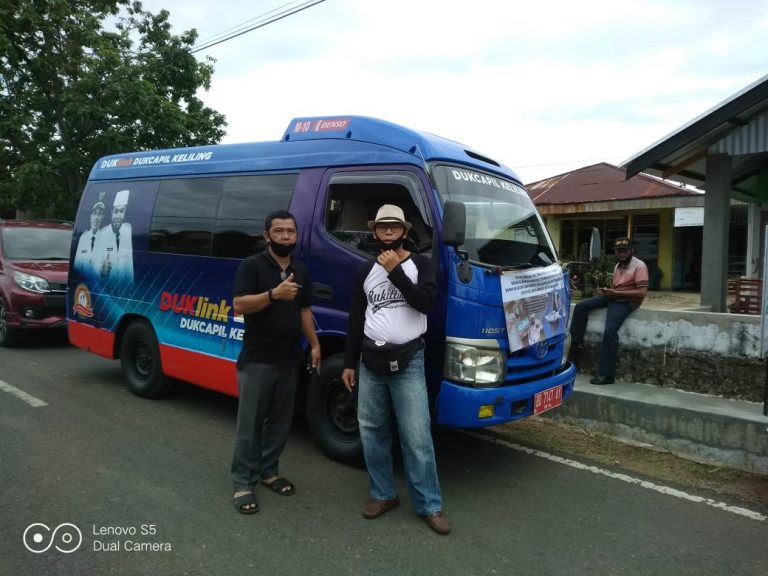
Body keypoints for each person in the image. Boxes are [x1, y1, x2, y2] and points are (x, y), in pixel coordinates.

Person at [341, 204, 451, 535]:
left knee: (416, 435)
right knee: (372, 429)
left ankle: (429, 504)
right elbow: (356, 318)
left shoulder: (421, 264)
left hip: (408, 358)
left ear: (404, 231)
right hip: (370, 359)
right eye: (382, 227)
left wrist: (395, 272)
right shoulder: (365, 270)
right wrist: (349, 362)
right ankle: (383, 494)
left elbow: (426, 304)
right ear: (374, 232)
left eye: (394, 227)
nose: (388, 231)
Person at [230, 209, 321, 514]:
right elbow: (239, 304)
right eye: (279, 231)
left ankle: (269, 471)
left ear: (297, 236)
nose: (285, 236)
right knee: (250, 425)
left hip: (289, 359)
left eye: (290, 231)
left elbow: (304, 310)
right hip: (257, 359)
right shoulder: (252, 266)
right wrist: (273, 294)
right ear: (267, 235)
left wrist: (315, 344)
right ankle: (243, 483)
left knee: (280, 424)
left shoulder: (301, 270)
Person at [569, 236, 649, 385]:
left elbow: (642, 292)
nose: (622, 254)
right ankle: (576, 346)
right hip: (615, 296)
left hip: (628, 301)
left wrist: (616, 293)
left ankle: (606, 374)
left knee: (610, 331)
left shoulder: (639, 266)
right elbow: (617, 287)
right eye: (619, 251)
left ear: (631, 251)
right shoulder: (618, 266)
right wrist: (607, 292)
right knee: (581, 307)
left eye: (625, 251)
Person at [96, 189, 134, 285]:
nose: (118, 216)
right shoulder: (103, 234)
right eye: (116, 211)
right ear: (111, 212)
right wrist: (102, 270)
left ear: (125, 213)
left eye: (121, 211)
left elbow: (130, 266)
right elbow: (94, 266)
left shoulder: (128, 231)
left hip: (124, 288)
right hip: (107, 287)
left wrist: (131, 287)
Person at [73, 199, 105, 278]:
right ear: (91, 216)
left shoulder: (105, 238)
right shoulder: (83, 238)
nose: (96, 218)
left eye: (99, 214)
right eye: (94, 214)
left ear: (103, 218)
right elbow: (76, 266)